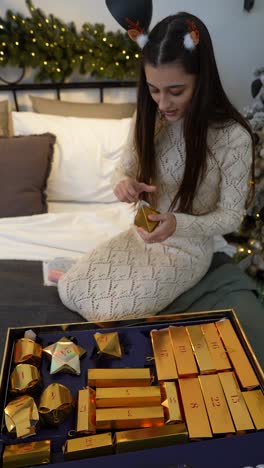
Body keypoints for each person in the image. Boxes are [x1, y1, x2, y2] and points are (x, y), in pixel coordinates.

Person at [58, 12, 254, 321]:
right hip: (141, 235)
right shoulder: (150, 117)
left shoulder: (232, 138)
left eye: (176, 91)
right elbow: (122, 171)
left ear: (202, 80)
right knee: (69, 288)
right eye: (154, 90)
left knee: (109, 313)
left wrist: (178, 223)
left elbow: (231, 216)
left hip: (187, 249)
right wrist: (123, 184)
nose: (163, 103)